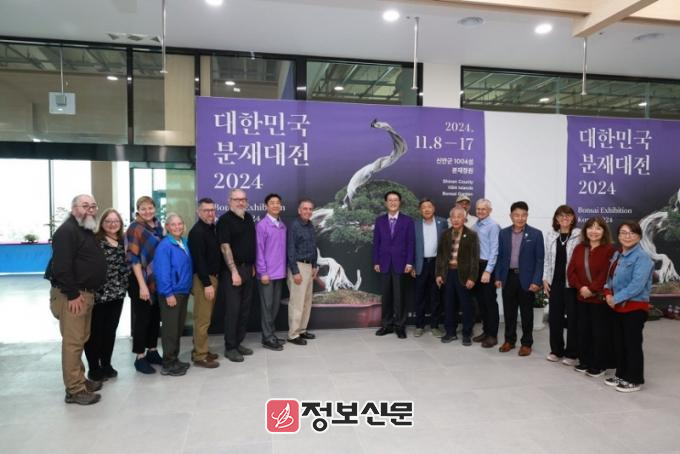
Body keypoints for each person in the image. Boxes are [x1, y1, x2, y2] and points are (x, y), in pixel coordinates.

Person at [47, 194, 107, 405]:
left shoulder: (84, 229)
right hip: (72, 296)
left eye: (93, 206)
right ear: (74, 209)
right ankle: (74, 390)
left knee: (80, 339)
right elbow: (61, 266)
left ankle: (80, 380)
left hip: (84, 294)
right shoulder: (67, 231)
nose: (90, 209)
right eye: (85, 206)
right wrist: (72, 294)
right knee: (73, 343)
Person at [604, 221, 654, 393]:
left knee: (632, 344)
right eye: (624, 233)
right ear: (618, 236)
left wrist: (615, 298)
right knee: (619, 343)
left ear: (639, 236)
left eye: (632, 233)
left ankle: (634, 379)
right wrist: (607, 293)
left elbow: (637, 285)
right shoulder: (618, 255)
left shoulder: (642, 257)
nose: (627, 236)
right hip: (617, 306)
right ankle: (621, 374)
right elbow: (610, 278)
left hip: (634, 308)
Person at [567, 217, 616, 377]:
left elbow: (607, 273)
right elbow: (571, 271)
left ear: (604, 231)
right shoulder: (579, 248)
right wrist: (581, 288)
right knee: (583, 330)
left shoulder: (609, 249)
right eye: (590, 227)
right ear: (585, 230)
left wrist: (592, 289)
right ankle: (585, 361)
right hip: (582, 297)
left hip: (599, 299)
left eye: (598, 228)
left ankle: (599, 364)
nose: (594, 231)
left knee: (599, 332)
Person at [84, 208, 128, 382]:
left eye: (115, 221)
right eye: (108, 221)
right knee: (95, 332)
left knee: (110, 331)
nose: (112, 224)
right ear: (102, 223)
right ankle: (94, 368)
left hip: (117, 294)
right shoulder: (96, 241)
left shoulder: (123, 241)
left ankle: (106, 364)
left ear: (120, 223)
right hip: (99, 295)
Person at [495, 201, 544, 357]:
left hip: (527, 279)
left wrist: (536, 281)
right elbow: (500, 257)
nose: (520, 218)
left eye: (523, 215)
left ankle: (526, 343)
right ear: (511, 216)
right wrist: (498, 276)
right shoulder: (503, 233)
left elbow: (540, 260)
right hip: (508, 277)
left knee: (526, 313)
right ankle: (509, 340)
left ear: (527, 216)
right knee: (509, 312)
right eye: (516, 215)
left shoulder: (536, 234)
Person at [217, 188, 256, 362]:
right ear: (229, 201)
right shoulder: (224, 220)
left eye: (243, 199)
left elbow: (250, 243)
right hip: (233, 272)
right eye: (236, 199)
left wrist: (252, 265)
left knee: (245, 310)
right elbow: (225, 247)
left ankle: (238, 342)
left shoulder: (248, 218)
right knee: (233, 311)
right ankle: (230, 347)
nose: (240, 202)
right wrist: (234, 271)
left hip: (248, 269)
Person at [126, 196, 164, 374]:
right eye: (143, 209)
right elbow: (133, 259)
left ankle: (152, 351)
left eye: (150, 208)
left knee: (155, 316)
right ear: (138, 211)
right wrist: (142, 286)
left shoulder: (158, 226)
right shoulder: (135, 228)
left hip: (155, 279)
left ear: (154, 209)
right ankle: (140, 356)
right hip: (139, 279)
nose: (147, 211)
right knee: (142, 318)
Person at [372, 190, 415, 339]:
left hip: (401, 263)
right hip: (384, 263)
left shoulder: (407, 221)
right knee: (386, 296)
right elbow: (376, 243)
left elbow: (410, 243)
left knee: (399, 296)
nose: (393, 202)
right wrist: (376, 261)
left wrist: (409, 262)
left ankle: (400, 326)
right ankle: (386, 325)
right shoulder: (379, 221)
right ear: (386, 203)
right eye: (390, 200)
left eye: (395, 200)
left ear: (399, 202)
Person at [154, 213, 193, 376]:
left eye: (180, 224)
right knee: (170, 330)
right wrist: (168, 293)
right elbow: (162, 272)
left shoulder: (184, 242)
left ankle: (174, 359)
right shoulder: (165, 246)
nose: (177, 227)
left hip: (183, 291)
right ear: (167, 227)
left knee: (177, 328)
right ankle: (168, 364)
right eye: (173, 224)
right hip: (171, 293)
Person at [435, 206, 480, 345]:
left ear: (464, 219)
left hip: (464, 275)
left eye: (459, 217)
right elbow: (440, 256)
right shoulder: (445, 234)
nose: (455, 219)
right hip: (448, 274)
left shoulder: (472, 235)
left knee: (466, 306)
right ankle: (450, 332)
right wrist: (439, 274)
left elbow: (475, 259)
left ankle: (467, 333)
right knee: (449, 305)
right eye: (453, 217)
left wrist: (472, 278)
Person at [543, 205, 581, 365]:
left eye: (568, 215)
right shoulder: (551, 235)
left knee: (573, 319)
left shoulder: (579, 235)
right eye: (561, 216)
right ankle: (556, 350)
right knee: (555, 318)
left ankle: (572, 353)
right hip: (555, 283)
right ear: (556, 219)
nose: (564, 218)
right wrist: (545, 278)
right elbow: (546, 258)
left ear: (573, 218)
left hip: (572, 284)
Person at [188, 197, 221, 368]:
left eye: (212, 210)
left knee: (206, 318)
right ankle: (200, 356)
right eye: (206, 210)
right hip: (204, 280)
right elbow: (199, 260)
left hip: (212, 278)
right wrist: (207, 284)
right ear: (198, 212)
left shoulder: (211, 228)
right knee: (202, 320)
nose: (210, 213)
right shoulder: (197, 232)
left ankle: (202, 349)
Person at [412, 198, 448, 338]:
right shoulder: (415, 224)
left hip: (436, 264)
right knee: (419, 297)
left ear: (434, 208)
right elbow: (411, 246)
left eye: (429, 206)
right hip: (420, 264)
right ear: (420, 210)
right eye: (423, 207)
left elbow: (446, 245)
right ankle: (419, 326)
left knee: (435, 297)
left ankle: (435, 326)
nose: (426, 209)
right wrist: (412, 265)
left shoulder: (442, 222)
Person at [256, 193, 288, 351]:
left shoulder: (282, 225)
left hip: (279, 273)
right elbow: (259, 250)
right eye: (272, 203)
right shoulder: (262, 225)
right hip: (267, 275)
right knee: (267, 307)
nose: (275, 205)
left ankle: (271, 334)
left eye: (278, 203)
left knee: (275, 306)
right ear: (266, 206)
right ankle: (267, 337)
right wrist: (263, 272)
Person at [286, 198, 318, 345]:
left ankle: (302, 330)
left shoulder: (310, 225)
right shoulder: (294, 226)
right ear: (299, 210)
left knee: (306, 302)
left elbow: (313, 246)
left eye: (310, 209)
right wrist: (295, 271)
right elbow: (290, 249)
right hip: (298, 267)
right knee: (297, 303)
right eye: (305, 208)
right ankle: (293, 334)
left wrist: (314, 266)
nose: (308, 211)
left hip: (309, 267)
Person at [471, 198, 501, 348]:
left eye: (484, 209)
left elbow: (495, 250)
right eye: (478, 209)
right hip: (477, 266)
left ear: (490, 210)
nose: (480, 211)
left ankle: (492, 335)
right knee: (481, 302)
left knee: (490, 302)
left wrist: (488, 271)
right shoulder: (475, 225)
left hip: (487, 267)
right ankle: (485, 331)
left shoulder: (493, 226)